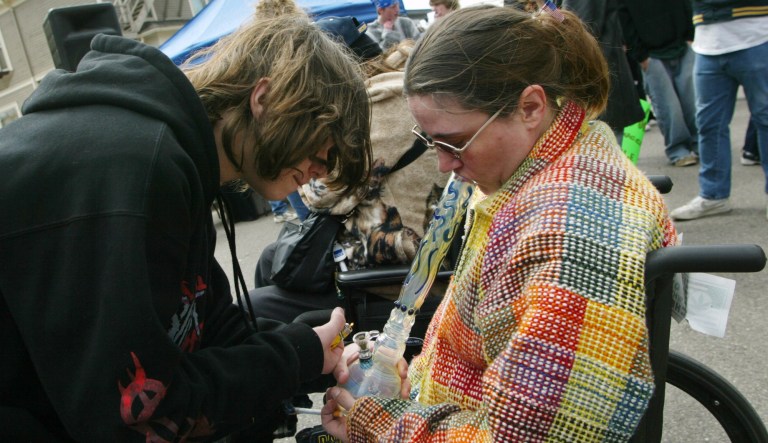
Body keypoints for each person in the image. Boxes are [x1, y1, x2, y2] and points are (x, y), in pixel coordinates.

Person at [0, 10, 373, 441]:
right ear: (266, 99)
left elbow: (204, 322)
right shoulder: (141, 170)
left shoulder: (179, 158)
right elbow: (143, 414)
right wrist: (296, 354)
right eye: (321, 151)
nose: (320, 171)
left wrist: (313, 350)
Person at [321, 6, 678, 442]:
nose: (444, 164)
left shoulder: (571, 233)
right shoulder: (533, 169)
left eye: (455, 142)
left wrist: (381, 425)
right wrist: (412, 378)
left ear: (530, 106)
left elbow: (532, 436)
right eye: (430, 142)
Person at [250, 18, 451, 324]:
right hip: (415, 254)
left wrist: (300, 169)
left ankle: (307, 360)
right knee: (272, 259)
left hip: (392, 275)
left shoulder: (377, 107)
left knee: (256, 303)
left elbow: (325, 195)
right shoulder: (411, 87)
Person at [670, 1, 768, 221]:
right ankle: (713, 195)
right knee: (708, 124)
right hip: (707, 43)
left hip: (757, 36)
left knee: (765, 120)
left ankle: (714, 194)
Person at [618, 0, 700, 167]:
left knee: (691, 102)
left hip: (682, 44)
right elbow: (624, 19)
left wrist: (690, 36)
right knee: (669, 106)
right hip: (651, 54)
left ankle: (700, 144)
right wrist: (641, 57)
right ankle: (678, 150)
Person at [562, 0, 646, 143]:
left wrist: (546, 11)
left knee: (604, 140)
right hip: (601, 69)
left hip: (595, 72)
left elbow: (580, 28)